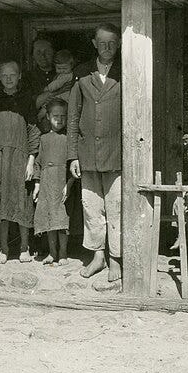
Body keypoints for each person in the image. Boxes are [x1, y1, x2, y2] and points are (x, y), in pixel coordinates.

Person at [67, 23, 122, 283]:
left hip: (116, 155)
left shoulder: (125, 72)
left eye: (112, 42)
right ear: (94, 43)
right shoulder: (82, 75)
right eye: (102, 43)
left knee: (116, 207)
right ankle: (97, 257)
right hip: (87, 153)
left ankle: (116, 259)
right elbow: (72, 117)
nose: (107, 47)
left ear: (119, 43)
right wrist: (73, 155)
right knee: (91, 208)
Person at [0, 60, 40, 264]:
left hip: (20, 159)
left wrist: (31, 162)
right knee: (1, 202)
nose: (8, 79)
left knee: (22, 201)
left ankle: (24, 247)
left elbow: (33, 132)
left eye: (12, 75)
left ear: (19, 76)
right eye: (4, 75)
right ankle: (4, 249)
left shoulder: (27, 101)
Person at [32, 99, 75, 265]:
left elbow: (74, 164)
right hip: (46, 183)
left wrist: (69, 184)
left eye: (63, 116)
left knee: (61, 220)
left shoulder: (69, 139)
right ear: (48, 117)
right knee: (49, 218)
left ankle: (63, 253)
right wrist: (37, 184)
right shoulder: (43, 139)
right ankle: (52, 253)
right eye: (55, 115)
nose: (59, 119)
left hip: (62, 182)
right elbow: (38, 162)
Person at [35, 49, 76, 132]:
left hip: (64, 97)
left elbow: (57, 84)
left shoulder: (67, 75)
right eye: (59, 68)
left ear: (71, 66)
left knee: (49, 104)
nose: (62, 70)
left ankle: (42, 113)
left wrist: (48, 88)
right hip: (61, 96)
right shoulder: (61, 74)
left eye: (64, 68)